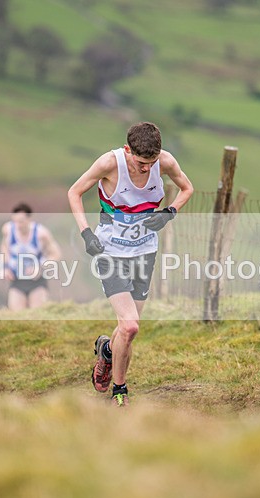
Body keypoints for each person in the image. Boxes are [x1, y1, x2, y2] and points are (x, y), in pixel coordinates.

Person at [68, 121, 194, 406]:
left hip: (145, 253)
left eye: (152, 162)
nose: (147, 168)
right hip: (110, 252)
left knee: (127, 329)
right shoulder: (109, 163)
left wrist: (169, 212)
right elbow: (74, 192)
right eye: (141, 162)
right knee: (130, 327)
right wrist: (86, 233)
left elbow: (187, 188)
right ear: (128, 150)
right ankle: (120, 390)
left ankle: (107, 351)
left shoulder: (166, 162)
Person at [0, 203, 62, 310]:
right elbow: (5, 248)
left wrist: (40, 267)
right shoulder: (8, 230)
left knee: (37, 313)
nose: (18, 225)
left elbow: (56, 254)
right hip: (17, 280)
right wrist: (5, 267)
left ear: (29, 219)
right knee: (16, 314)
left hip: (36, 281)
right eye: (15, 222)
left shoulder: (41, 234)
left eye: (21, 222)